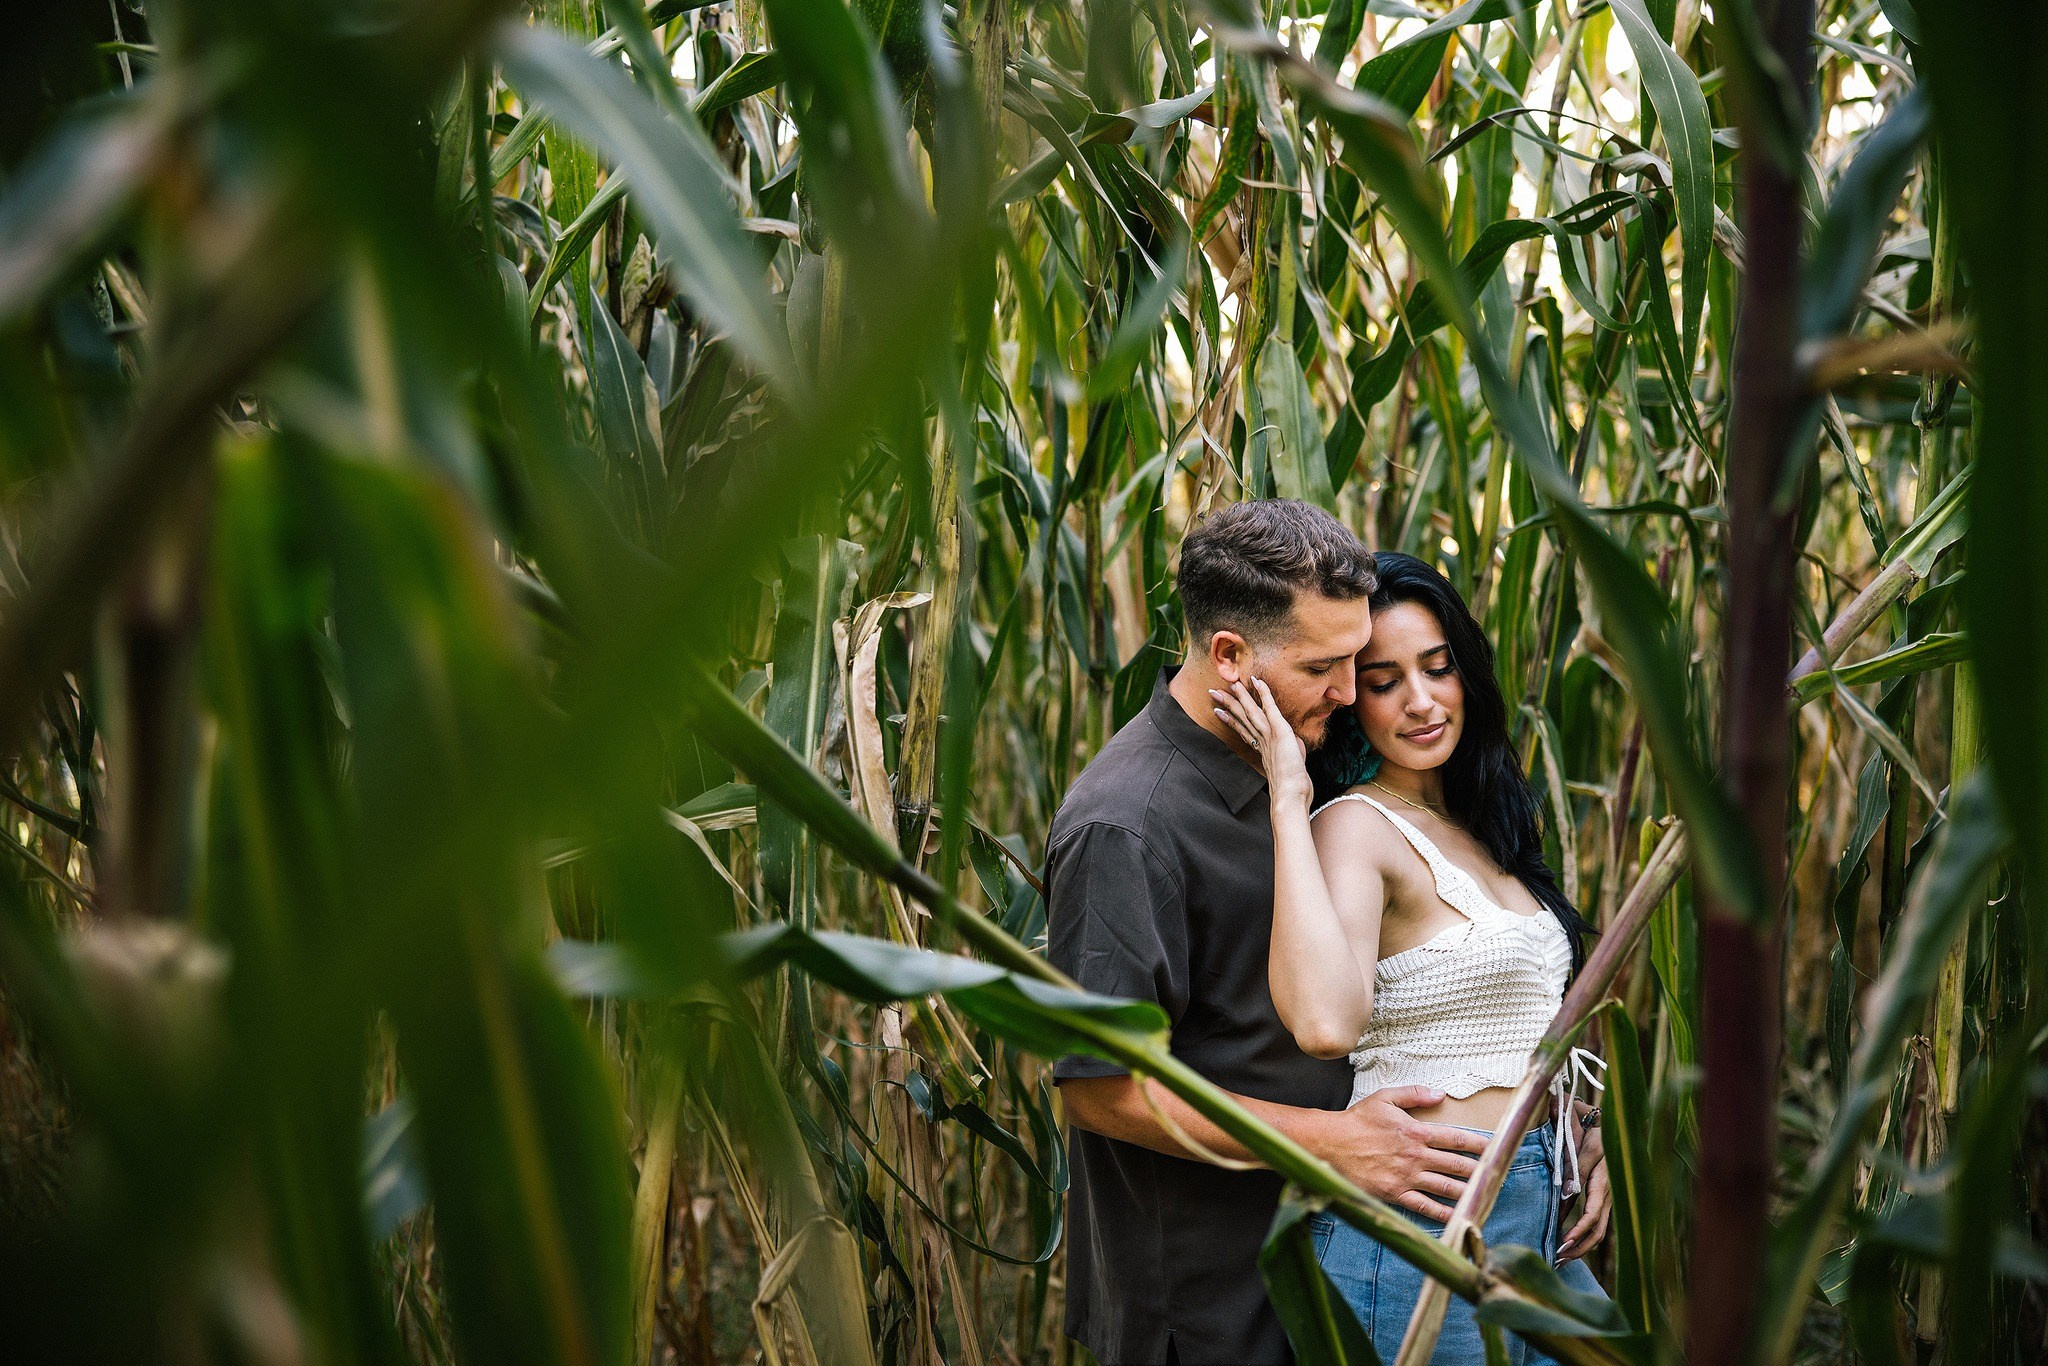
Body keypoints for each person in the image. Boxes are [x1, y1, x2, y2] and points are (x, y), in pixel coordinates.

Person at [1048, 503, 1504, 1366]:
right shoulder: (1128, 824)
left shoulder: (1305, 756)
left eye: (1354, 660)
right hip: (1208, 1302)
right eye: (1323, 667)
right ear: (1229, 655)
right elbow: (1099, 1091)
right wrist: (1332, 1143)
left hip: (1337, 1268)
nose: (1349, 691)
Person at [1210, 551, 1611, 1365]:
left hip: (1539, 1213)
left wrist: (1585, 1132)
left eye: (1438, 668)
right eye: (1385, 681)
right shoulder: (1353, 827)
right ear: (1351, 699)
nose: (1421, 702)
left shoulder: (1485, 825)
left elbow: (1534, 1016)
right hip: (1422, 1225)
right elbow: (1326, 1023)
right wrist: (1290, 796)